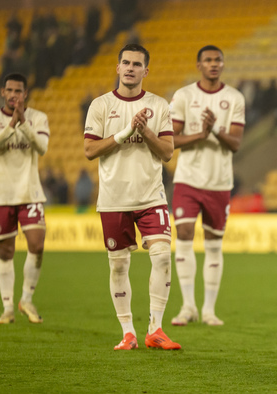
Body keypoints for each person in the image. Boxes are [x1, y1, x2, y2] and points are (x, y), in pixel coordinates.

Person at [83, 44, 180, 350]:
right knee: (119, 266)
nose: (130, 68)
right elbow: (89, 150)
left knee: (163, 257)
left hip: (151, 196)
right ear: (117, 67)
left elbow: (167, 152)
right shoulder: (100, 105)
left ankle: (156, 328)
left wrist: (145, 132)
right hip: (114, 198)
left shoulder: (159, 105)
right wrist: (125, 133)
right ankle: (128, 332)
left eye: (136, 64)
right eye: (125, 62)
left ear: (145, 71)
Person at [170, 45, 245, 327]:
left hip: (219, 182)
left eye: (217, 60)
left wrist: (213, 129)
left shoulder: (234, 97)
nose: (213, 64)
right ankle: (187, 306)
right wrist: (199, 134)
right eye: (208, 60)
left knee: (214, 244)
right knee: (185, 234)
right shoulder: (184, 96)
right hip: (188, 179)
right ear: (199, 65)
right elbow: (171, 139)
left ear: (223, 64)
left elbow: (236, 143)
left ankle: (209, 310)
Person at [0, 73, 49, 324]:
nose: (14, 95)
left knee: (37, 245)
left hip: (30, 192)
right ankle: (7, 308)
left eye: (18, 91)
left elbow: (42, 147)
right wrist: (11, 126)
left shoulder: (39, 118)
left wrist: (23, 123)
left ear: (25, 93)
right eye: (9, 90)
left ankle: (26, 298)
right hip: (1, 194)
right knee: (5, 252)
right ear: (2, 92)